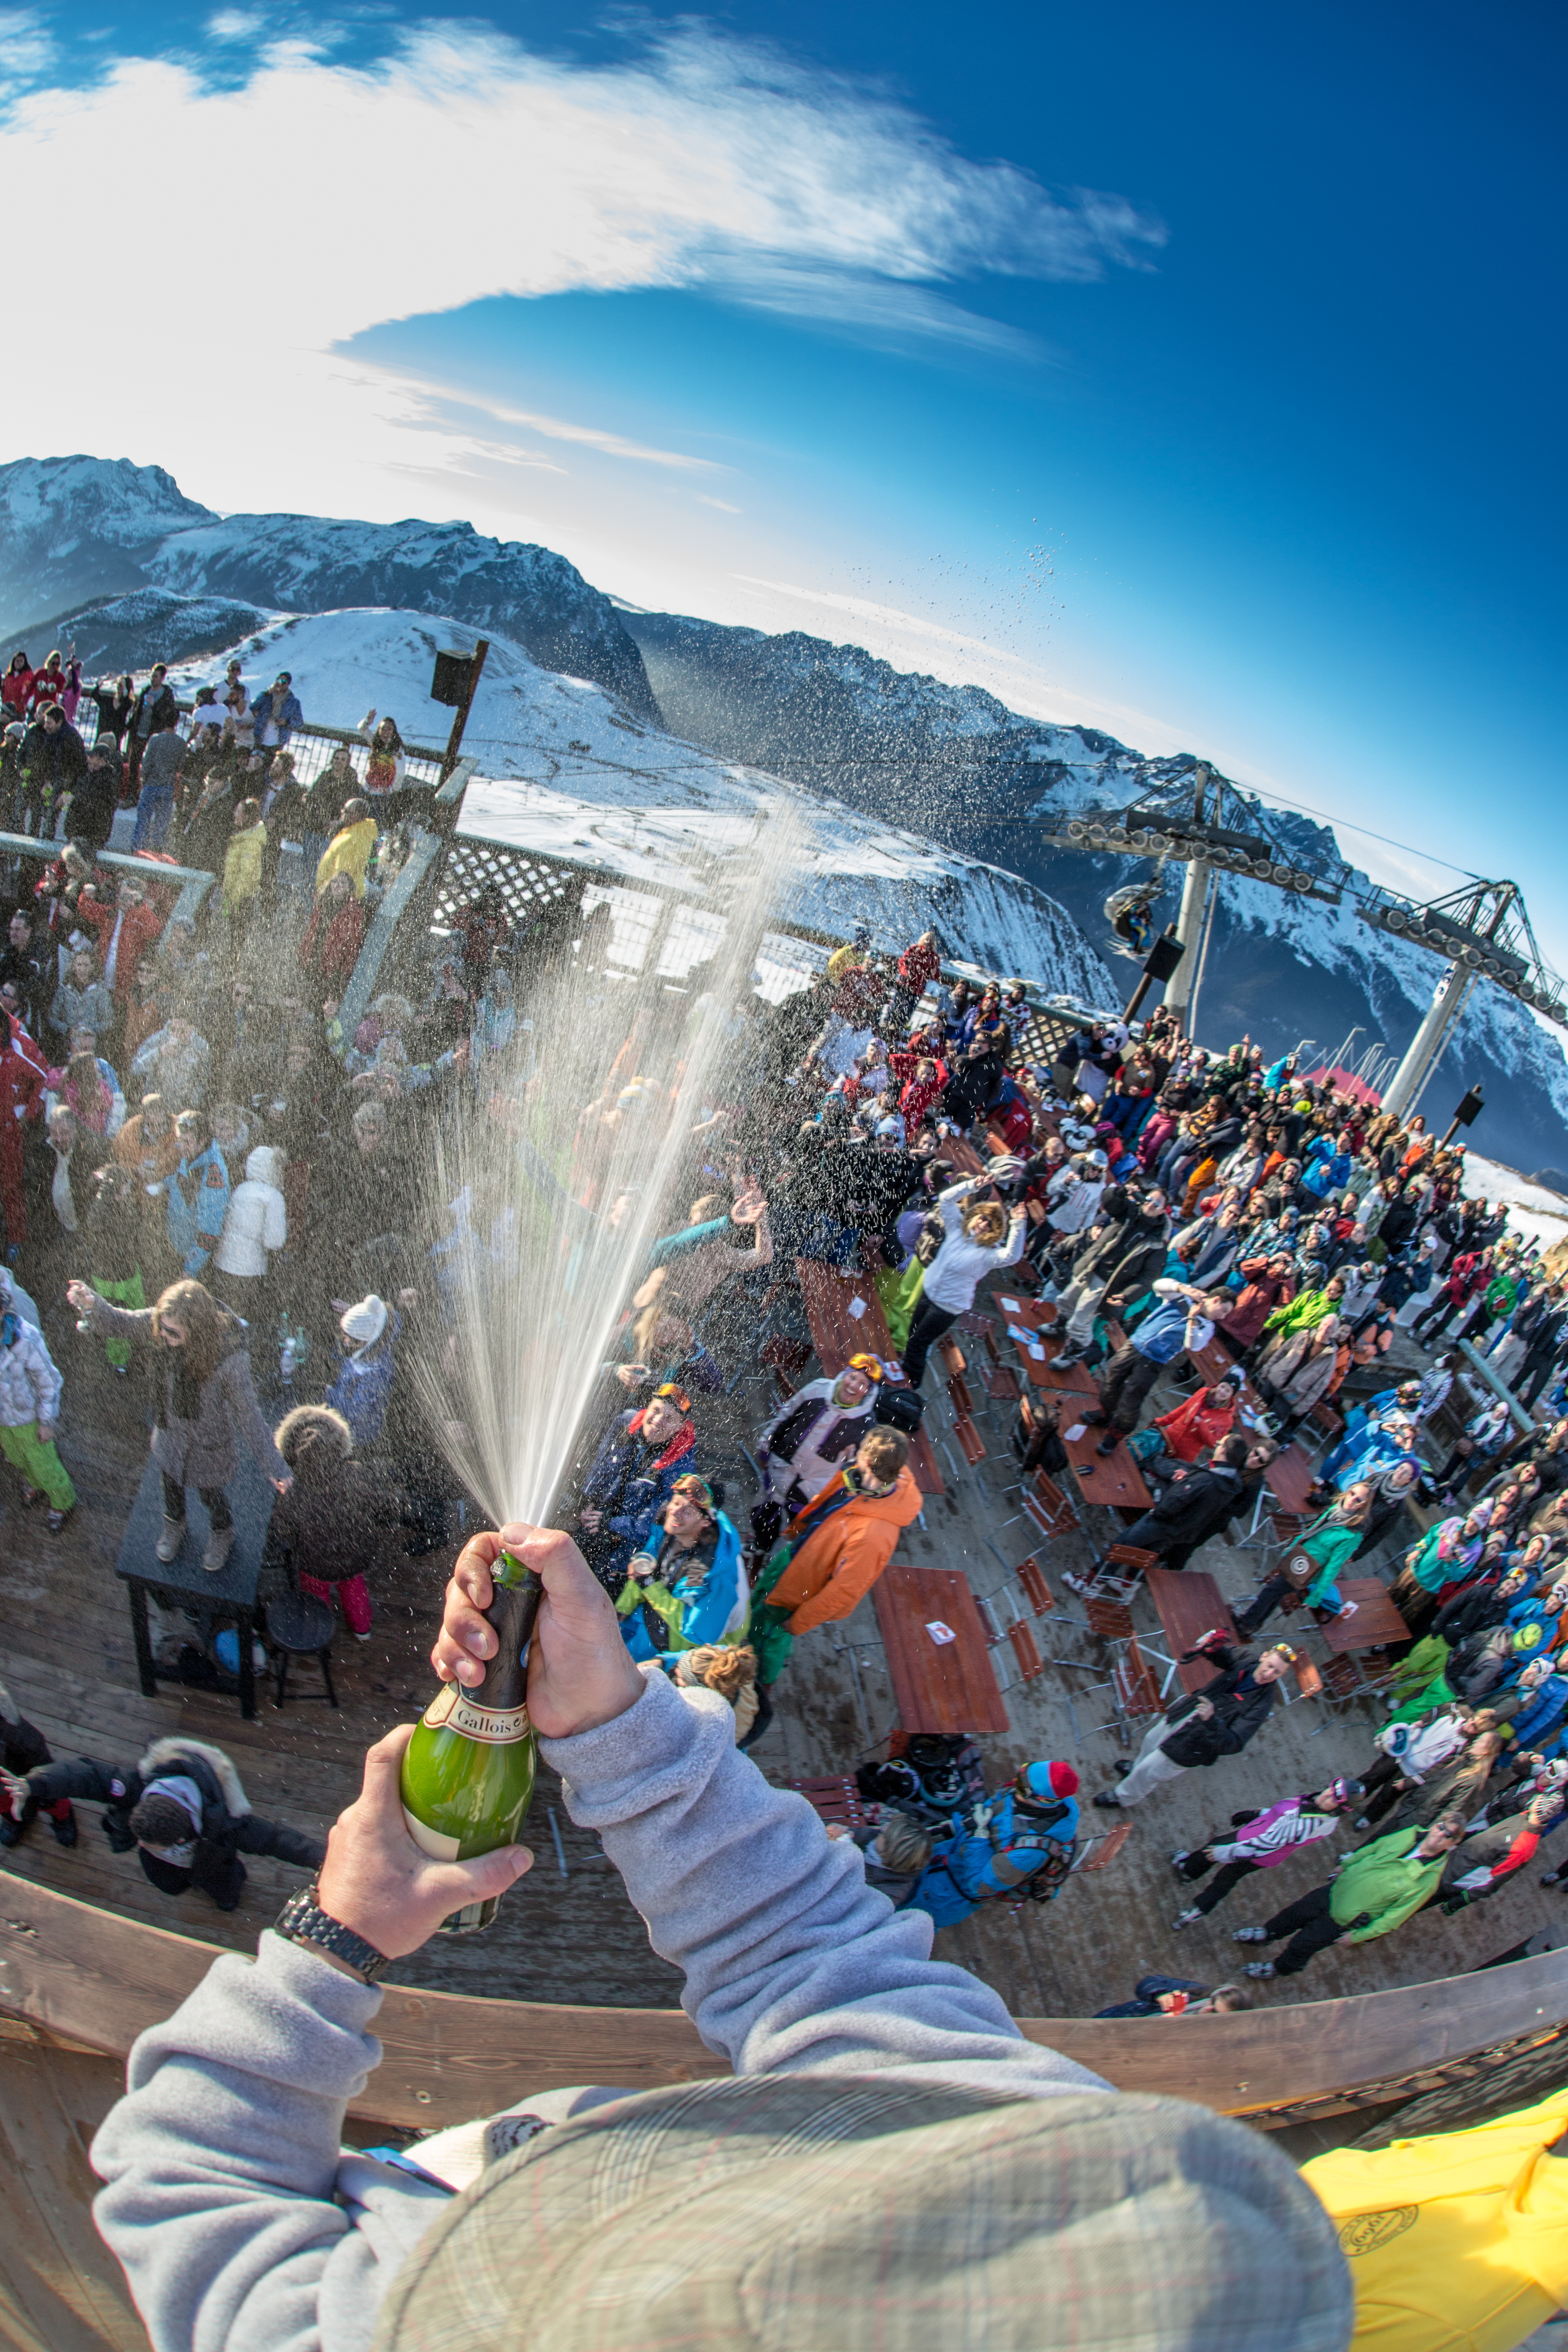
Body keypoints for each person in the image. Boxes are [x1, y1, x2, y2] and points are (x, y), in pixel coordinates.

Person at [86, 1521, 1353, 2352]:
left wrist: (330, 1944)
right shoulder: (1060, 2186)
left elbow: (179, 2178)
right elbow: (810, 1960)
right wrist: (613, 1724)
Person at [66, 1274, 290, 1573]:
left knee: (211, 1495)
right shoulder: (163, 1326)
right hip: (169, 1433)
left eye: (172, 1332)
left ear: (197, 1331)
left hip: (207, 1444)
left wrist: (275, 1466)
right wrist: (93, 1304)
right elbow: (122, 1322)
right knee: (170, 1486)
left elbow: (249, 1417)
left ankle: (222, 1532)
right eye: (162, 1327)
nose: (163, 1335)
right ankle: (175, 1523)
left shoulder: (229, 1357)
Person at [1, 1735, 321, 1912]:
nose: (140, 1845)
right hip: (169, 1868)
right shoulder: (135, 1787)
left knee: (224, 1887)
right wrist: (34, 1784)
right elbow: (86, 1776)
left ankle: (226, 1897)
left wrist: (330, 1859)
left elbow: (279, 1841)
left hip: (212, 1862)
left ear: (181, 1839)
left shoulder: (227, 1824)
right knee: (170, 1882)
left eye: (149, 1844)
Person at [746, 1425, 921, 1683]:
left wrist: (798, 1623)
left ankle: (760, 1681)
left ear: (868, 1462)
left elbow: (844, 1592)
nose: (855, 1453)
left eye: (861, 1450)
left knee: (767, 1635)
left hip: (799, 1590)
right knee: (761, 1604)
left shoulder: (874, 1536)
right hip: (797, 1557)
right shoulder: (873, 1477)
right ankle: (764, 1642)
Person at [1232, 1813, 1470, 1979]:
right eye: (1441, 1827)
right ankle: (1267, 1934)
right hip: (1335, 1890)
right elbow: (1374, 1848)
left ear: (1453, 1845)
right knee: (1293, 1914)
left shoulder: (1428, 1881)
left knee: (1303, 1945)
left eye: (1449, 1835)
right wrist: (1347, 1864)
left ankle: (1278, 1969)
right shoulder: (1411, 1834)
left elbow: (1395, 1918)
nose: (1440, 1835)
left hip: (1343, 1920)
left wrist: (1359, 1936)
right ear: (1435, 1824)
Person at [1093, 1643, 1298, 1811]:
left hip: (1196, 1743)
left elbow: (1235, 1743)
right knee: (1151, 1740)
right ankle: (1136, 1769)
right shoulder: (1248, 1660)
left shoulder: (1262, 1704)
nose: (1269, 1673)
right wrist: (1212, 1648)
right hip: (1188, 1712)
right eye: (1270, 1666)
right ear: (1264, 1657)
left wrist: (1212, 1721)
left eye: (1277, 1672)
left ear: (1282, 1675)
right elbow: (1226, 1658)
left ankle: (1123, 1797)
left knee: (1151, 1771)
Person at [268, 1405, 403, 1643]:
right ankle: (362, 1629)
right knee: (354, 1589)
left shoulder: (294, 1492)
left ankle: (321, 1628)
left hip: (315, 1563)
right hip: (354, 1556)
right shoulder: (356, 1474)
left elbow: (285, 1533)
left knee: (315, 1592)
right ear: (339, 1443)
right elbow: (383, 1505)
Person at [1063, 1433, 1252, 1597]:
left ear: (1224, 1451)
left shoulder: (1209, 1480)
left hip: (1164, 1521)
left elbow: (1178, 1500)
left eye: (1220, 1444)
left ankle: (1091, 1584)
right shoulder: (1231, 1483)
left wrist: (1160, 1510)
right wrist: (1188, 1480)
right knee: (1146, 1553)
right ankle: (1128, 1585)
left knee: (1123, 1545)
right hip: (1180, 1530)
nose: (1217, 1445)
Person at [905, 1760, 1080, 1925]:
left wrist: (978, 1835)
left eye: (1021, 1786)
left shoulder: (1028, 1853)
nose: (1015, 1783)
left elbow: (980, 1884)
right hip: (946, 1856)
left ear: (1045, 1801)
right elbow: (994, 1806)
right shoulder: (1025, 1796)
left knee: (907, 1922)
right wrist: (956, 1825)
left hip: (947, 1894)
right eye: (1022, 1774)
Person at [1170, 1778, 1365, 1926]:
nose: (1327, 1794)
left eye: (1335, 1798)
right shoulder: (1321, 1812)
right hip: (1263, 1849)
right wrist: (1259, 1814)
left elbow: (1266, 1844)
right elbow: (1284, 1813)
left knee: (1214, 1853)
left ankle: (1187, 1871)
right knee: (1228, 1878)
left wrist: (1226, 1853)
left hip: (1252, 1844)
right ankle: (1197, 1909)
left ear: (1341, 1809)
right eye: (1333, 1788)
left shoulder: (1304, 1824)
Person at [900, 1172, 1026, 1386]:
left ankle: (910, 1386)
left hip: (947, 1307)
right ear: (975, 1216)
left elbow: (1012, 1256)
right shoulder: (957, 1230)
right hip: (929, 1293)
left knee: (917, 1344)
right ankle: (903, 1374)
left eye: (991, 1224)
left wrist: (1018, 1224)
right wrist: (971, 1186)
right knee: (912, 1335)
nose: (984, 1224)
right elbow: (945, 1199)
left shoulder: (988, 1254)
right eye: (983, 1218)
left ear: (995, 1231)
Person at [1080, 1279, 1227, 1454]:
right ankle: (1105, 1414)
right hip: (1135, 1344)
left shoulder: (1207, 1327)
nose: (1223, 1317)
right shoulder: (1183, 1298)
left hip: (1155, 1360)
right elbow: (1158, 1285)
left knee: (1132, 1398)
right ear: (1216, 1300)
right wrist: (1183, 1289)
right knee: (1112, 1378)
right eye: (1224, 1310)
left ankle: (1116, 1435)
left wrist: (1193, 1320)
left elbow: (1193, 1345)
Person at [576, 1382, 697, 1594]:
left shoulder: (681, 1465)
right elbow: (600, 1466)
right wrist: (588, 1503)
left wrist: (611, 1524)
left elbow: (657, 1523)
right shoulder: (626, 1422)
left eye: (669, 1419)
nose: (658, 1421)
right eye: (656, 1410)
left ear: (680, 1427)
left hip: (628, 1552)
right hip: (596, 1522)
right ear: (647, 1408)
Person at [615, 1474, 748, 1662]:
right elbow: (646, 1566)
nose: (675, 1512)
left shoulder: (719, 1573)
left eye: (688, 1511)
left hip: (676, 1649)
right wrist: (624, 1606)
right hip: (648, 1620)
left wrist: (652, 1587)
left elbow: (699, 1633)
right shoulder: (671, 1528)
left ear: (706, 1522)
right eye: (676, 1503)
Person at [754, 1354, 884, 1525]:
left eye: (862, 1384)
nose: (853, 1386)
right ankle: (758, 1541)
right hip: (778, 1471)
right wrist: (765, 1448)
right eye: (852, 1377)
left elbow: (854, 1469)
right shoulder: (818, 1388)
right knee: (761, 1521)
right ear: (845, 1375)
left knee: (799, 1533)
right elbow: (785, 1416)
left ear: (868, 1392)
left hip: (809, 1493)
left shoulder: (865, 1426)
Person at [1231, 1483, 1374, 1637]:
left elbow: (1334, 1566)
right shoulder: (1336, 1510)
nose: (1352, 1500)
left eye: (1358, 1500)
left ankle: (1247, 1624)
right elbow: (1312, 1531)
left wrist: (1317, 1595)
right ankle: (1253, 1624)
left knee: (1270, 1592)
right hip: (1299, 1557)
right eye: (1352, 1493)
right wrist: (1293, 1546)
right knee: (1275, 1593)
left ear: (1363, 1506)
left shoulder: (1353, 1534)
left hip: (1308, 1569)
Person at [0, 1290, 75, 1532]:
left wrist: (46, 1422)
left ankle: (63, 1502)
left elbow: (50, 1383)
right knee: (18, 1458)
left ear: (2, 1311)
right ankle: (35, 1484)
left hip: (30, 1420)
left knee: (45, 1465)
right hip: (4, 1422)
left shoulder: (26, 1340)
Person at [209, 1143, 287, 1316]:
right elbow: (274, 1241)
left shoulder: (241, 1190)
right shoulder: (274, 1198)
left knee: (223, 1315)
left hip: (222, 1264)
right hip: (249, 1270)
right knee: (241, 1319)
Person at [0, 1679, 76, 1848]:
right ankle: (14, 1820)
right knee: (5, 1804)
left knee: (50, 1792)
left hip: (19, 1759)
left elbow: (36, 1752)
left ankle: (62, 1814)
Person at [324, 1295, 398, 1454]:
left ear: (367, 1341)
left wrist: (329, 1394)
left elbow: (357, 1414)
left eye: (352, 1339)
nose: (346, 1342)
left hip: (357, 1437)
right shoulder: (371, 1343)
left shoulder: (376, 1374)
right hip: (342, 1418)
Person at [130, 718, 185, 851]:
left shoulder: (155, 740)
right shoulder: (181, 743)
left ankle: (138, 846)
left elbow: (147, 762)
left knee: (144, 818)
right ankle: (157, 846)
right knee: (162, 820)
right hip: (168, 785)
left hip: (151, 784)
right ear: (176, 723)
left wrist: (143, 779)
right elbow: (181, 766)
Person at [1095, 1978, 1250, 2018]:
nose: (1207, 2009)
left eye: (1215, 2013)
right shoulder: (1197, 1993)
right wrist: (1159, 1994)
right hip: (1125, 2015)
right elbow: (1148, 1982)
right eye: (1213, 2002)